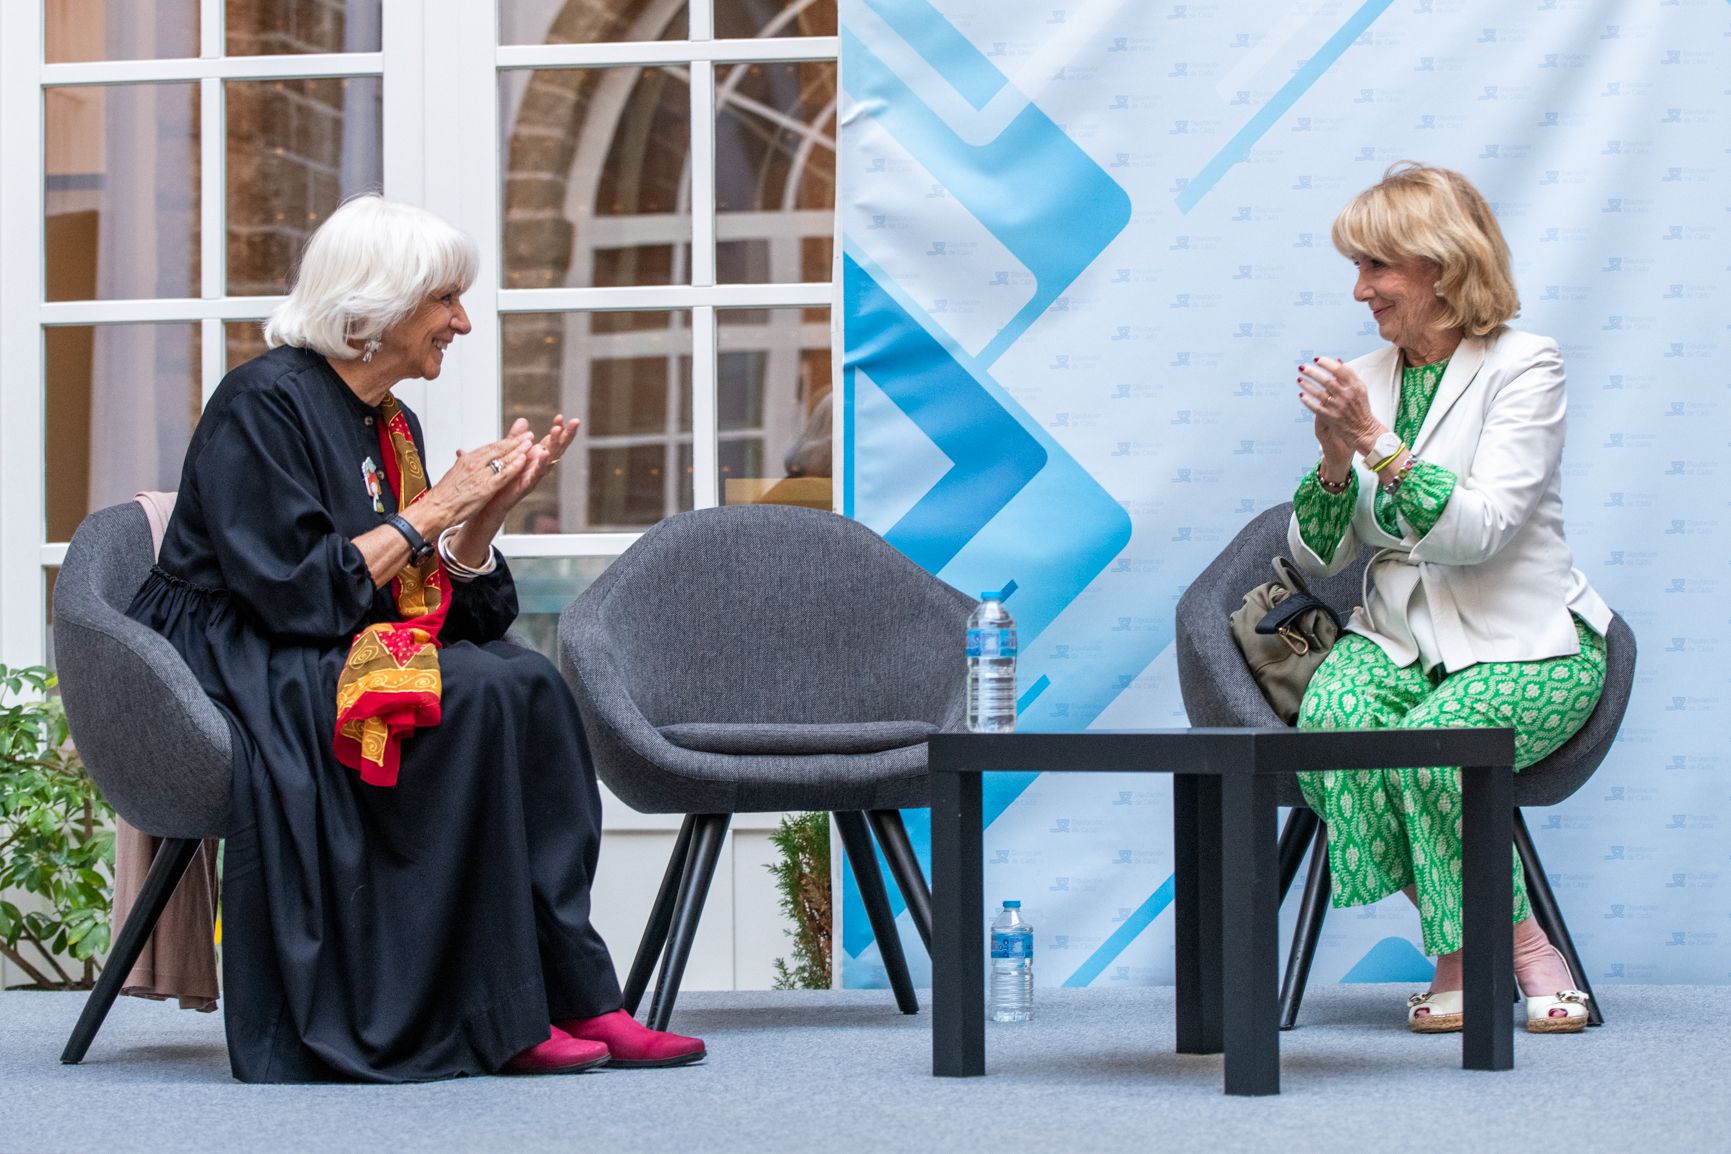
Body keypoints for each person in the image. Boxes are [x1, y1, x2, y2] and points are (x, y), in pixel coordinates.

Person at [128, 196, 705, 1081]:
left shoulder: (390, 420)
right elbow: (292, 597)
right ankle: (498, 1014)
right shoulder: (262, 404)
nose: (461, 322)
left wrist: (481, 519)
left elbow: (435, 604)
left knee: (527, 681)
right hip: (241, 658)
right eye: (444, 301)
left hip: (323, 641)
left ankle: (582, 994)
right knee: (467, 695)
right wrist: (439, 506)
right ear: (378, 305)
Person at [1286, 163, 1611, 1035]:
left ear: (1441, 264)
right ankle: (1495, 934)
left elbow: (1479, 533)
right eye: (1356, 269)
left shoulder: (1525, 365)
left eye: (1376, 268)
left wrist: (1372, 440)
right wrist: (1328, 458)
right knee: (1333, 729)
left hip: (1526, 640)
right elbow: (1320, 554)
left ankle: (1481, 955)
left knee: (1437, 751)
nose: (1359, 292)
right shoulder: (1364, 374)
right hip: (1397, 637)